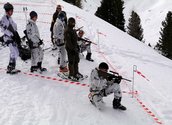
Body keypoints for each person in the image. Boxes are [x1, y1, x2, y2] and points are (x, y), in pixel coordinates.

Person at [0, 2, 21, 74]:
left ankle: (11, 67)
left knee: (16, 52)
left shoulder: (9, 18)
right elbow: (3, 29)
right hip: (8, 38)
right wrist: (11, 35)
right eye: (11, 11)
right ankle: (10, 68)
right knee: (13, 52)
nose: (12, 12)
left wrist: (15, 34)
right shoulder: (4, 18)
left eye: (12, 11)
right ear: (7, 11)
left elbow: (14, 26)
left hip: (12, 37)